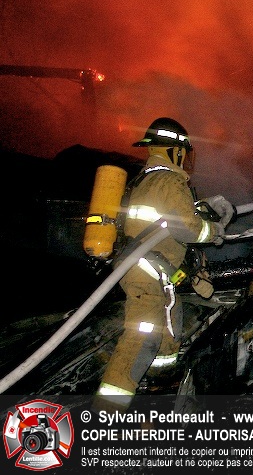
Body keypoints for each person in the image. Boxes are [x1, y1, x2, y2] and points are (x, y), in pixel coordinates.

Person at [93, 117, 234, 413]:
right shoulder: (170, 180)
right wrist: (215, 231)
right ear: (176, 151)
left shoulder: (146, 179)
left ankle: (157, 386)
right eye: (184, 152)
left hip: (150, 269)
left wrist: (205, 207)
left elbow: (169, 217)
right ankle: (107, 410)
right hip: (147, 270)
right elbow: (186, 229)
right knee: (141, 337)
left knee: (169, 326)